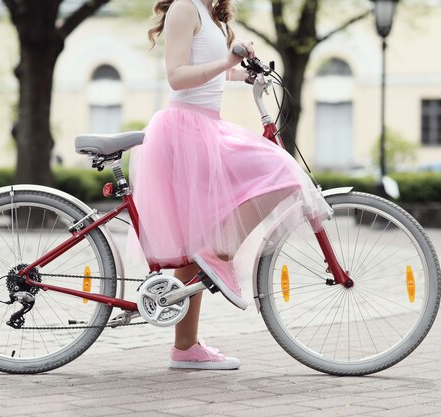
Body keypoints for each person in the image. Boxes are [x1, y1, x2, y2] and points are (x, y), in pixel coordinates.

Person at [130, 0, 332, 370]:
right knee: (282, 170)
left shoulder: (211, 15)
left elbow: (207, 75)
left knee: (195, 242)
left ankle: (185, 348)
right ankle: (221, 250)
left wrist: (244, 74)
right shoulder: (184, 8)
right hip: (187, 131)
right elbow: (177, 76)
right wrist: (227, 61)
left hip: (204, 127)